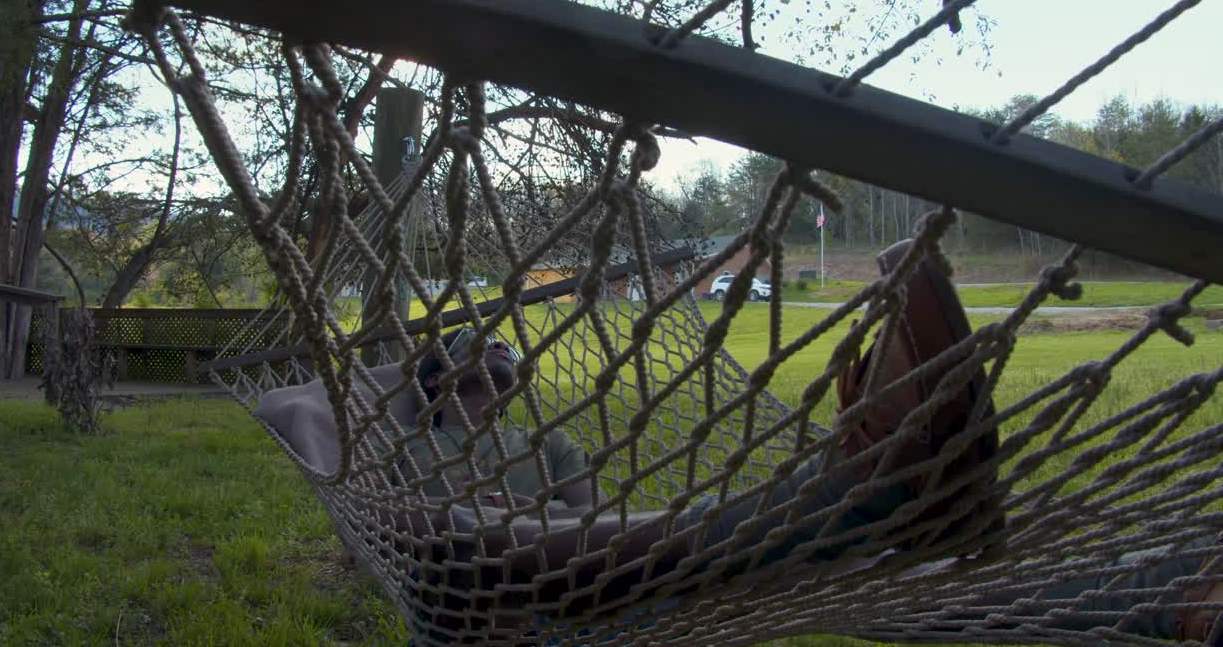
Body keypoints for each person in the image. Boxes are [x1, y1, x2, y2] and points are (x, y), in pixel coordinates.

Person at [255, 240, 1223, 645]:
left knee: (868, 580)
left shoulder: (541, 454)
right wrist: (405, 402)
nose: (487, 396)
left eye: (499, 383)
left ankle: (1162, 598)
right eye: (467, 381)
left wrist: (551, 517)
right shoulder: (380, 440)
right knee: (455, 543)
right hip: (476, 608)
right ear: (428, 386)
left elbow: (591, 533)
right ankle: (846, 497)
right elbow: (315, 425)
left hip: (600, 602)